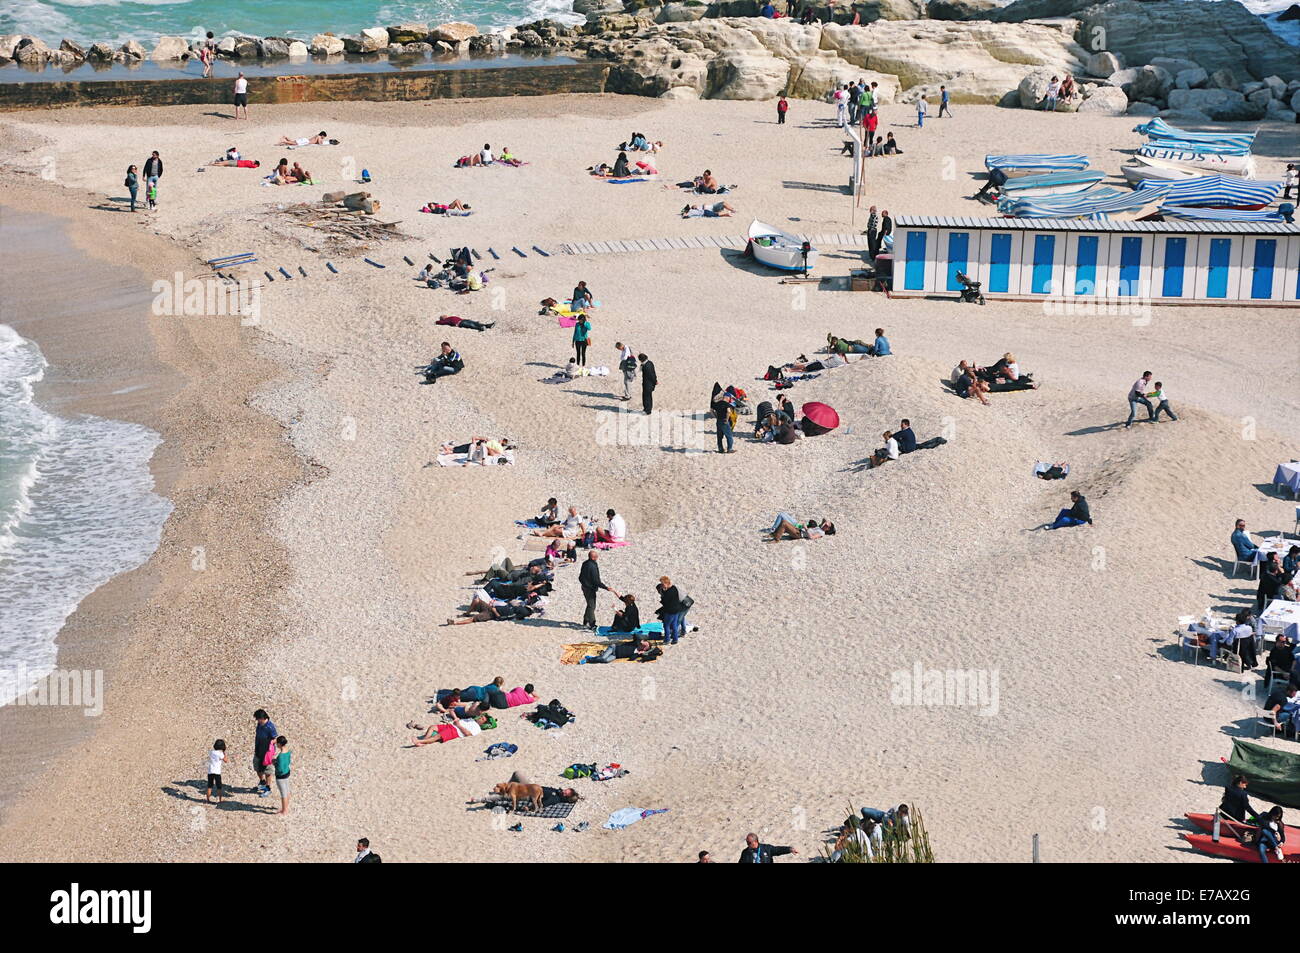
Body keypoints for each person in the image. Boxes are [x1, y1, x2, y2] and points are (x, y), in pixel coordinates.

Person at [579, 550, 612, 630]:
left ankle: (586, 620)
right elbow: (596, 581)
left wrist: (584, 584)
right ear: (593, 557)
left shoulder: (585, 563)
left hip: (584, 587)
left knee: (590, 604)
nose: (597, 557)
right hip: (590, 589)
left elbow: (580, 577)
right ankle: (592, 623)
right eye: (596, 556)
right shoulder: (593, 566)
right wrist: (606, 587)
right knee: (592, 606)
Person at [253, 709, 277, 797]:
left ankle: (268, 788)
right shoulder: (259, 724)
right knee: (257, 767)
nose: (257, 721)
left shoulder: (270, 727)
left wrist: (269, 745)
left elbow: (275, 739)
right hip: (258, 749)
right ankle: (262, 782)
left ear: (263, 718)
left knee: (268, 771)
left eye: (258, 719)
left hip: (267, 752)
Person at [657, 575, 687, 644]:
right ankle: (675, 639)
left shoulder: (668, 592)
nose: (662, 586)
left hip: (670, 611)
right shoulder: (674, 588)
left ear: (666, 583)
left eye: (662, 584)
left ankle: (667, 640)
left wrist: (663, 592)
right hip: (676, 610)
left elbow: (665, 601)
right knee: (674, 625)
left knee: (666, 625)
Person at [711, 383, 735, 454]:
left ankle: (720, 449)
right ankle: (729, 449)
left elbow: (711, 410)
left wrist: (716, 416)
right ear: (727, 397)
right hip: (724, 421)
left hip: (718, 421)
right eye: (729, 398)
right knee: (729, 436)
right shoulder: (727, 404)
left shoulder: (717, 403)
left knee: (719, 436)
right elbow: (728, 411)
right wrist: (727, 419)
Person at [273, 735, 291, 815]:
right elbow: (288, 761)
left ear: (280, 744)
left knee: (283, 793)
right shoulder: (288, 750)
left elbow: (279, 769)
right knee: (287, 790)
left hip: (281, 776)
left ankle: (284, 810)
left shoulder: (280, 756)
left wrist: (274, 763)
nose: (276, 744)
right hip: (287, 772)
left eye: (277, 743)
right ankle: (286, 807)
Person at [206, 739, 227, 804]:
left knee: (209, 786)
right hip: (217, 772)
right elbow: (226, 760)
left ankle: (208, 800)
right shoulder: (220, 753)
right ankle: (220, 800)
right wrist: (224, 753)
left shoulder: (211, 752)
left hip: (210, 771)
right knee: (219, 786)